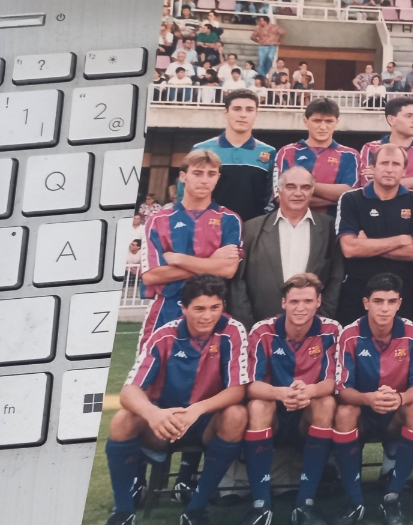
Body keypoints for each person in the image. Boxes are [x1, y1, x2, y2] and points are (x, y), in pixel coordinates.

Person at [96, 275, 248, 525]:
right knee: (123, 419)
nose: (207, 316)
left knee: (237, 414)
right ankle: (123, 513)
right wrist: (154, 414)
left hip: (203, 421)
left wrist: (197, 410)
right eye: (199, 308)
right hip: (164, 423)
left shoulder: (233, 331)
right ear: (184, 308)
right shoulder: (164, 334)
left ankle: (196, 510)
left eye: (215, 307)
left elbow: (238, 389)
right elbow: (130, 391)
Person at [239, 273, 341, 525]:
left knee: (326, 403)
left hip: (307, 411)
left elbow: (332, 381)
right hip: (275, 409)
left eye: (308, 301)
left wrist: (309, 391)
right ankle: (261, 506)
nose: (301, 307)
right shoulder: (263, 330)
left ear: (318, 302)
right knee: (259, 405)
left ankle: (304, 505)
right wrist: (281, 393)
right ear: (283, 303)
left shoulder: (331, 330)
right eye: (294, 301)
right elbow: (251, 385)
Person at [330, 273, 413, 525]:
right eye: (378, 301)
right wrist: (368, 398)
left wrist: (399, 398)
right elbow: (342, 388)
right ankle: (354, 501)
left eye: (391, 301)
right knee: (344, 411)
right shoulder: (349, 334)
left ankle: (392, 497)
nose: (384, 308)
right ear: (366, 303)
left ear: (399, 303)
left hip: (395, 411)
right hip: (363, 410)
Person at [138, 150, 243, 348]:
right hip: (167, 307)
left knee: (207, 375)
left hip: (210, 310)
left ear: (218, 178)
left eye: (211, 174)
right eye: (198, 173)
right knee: (153, 375)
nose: (205, 180)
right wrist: (212, 261)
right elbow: (151, 276)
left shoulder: (229, 219)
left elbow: (228, 270)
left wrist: (178, 258)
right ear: (183, 176)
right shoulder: (159, 220)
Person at [229, 166, 343, 326]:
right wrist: (249, 326)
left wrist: (321, 323)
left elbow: (335, 280)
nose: (298, 193)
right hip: (259, 328)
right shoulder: (251, 229)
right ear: (278, 191)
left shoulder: (330, 229)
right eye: (291, 187)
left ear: (312, 192)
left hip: (314, 330)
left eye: (305, 187)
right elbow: (238, 283)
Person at [336, 144, 413, 325]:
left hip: (404, 291)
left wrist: (367, 245)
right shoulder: (351, 199)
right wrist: (400, 240)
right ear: (372, 168)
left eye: (396, 164)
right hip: (358, 289)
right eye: (384, 163)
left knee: (402, 348)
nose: (389, 169)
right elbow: (349, 249)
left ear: (404, 171)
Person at [184, 90, 277, 223]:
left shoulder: (269, 152)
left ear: (256, 114)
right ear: (225, 112)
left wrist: (262, 224)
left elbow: (271, 197)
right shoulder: (201, 149)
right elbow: (187, 192)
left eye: (249, 110)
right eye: (237, 109)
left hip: (253, 230)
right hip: (209, 226)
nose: (243, 115)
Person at [274, 98, 360, 215]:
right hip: (294, 225)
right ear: (306, 121)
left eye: (329, 121)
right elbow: (281, 197)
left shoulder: (350, 155)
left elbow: (350, 195)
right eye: (317, 121)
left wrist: (303, 186)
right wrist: (335, 200)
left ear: (336, 122)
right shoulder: (287, 152)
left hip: (335, 227)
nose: (323, 127)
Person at [357, 96, 413, 200]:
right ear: (391, 120)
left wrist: (385, 184)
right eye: (409, 116)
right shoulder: (371, 148)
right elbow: (368, 187)